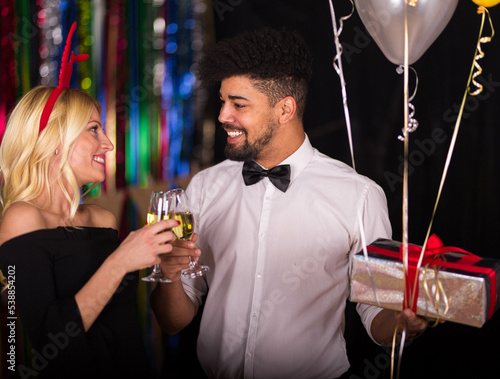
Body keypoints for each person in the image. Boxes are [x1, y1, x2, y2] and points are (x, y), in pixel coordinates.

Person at [151, 27, 428, 378]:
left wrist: (406, 323)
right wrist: (169, 275)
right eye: (223, 101)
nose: (222, 115)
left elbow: (377, 318)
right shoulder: (205, 187)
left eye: (238, 104)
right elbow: (173, 321)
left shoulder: (359, 195)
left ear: (285, 109)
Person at [0, 84, 185, 378]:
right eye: (94, 129)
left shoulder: (103, 220)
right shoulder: (22, 217)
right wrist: (121, 261)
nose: (109, 144)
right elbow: (49, 343)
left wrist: (170, 273)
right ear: (54, 139)